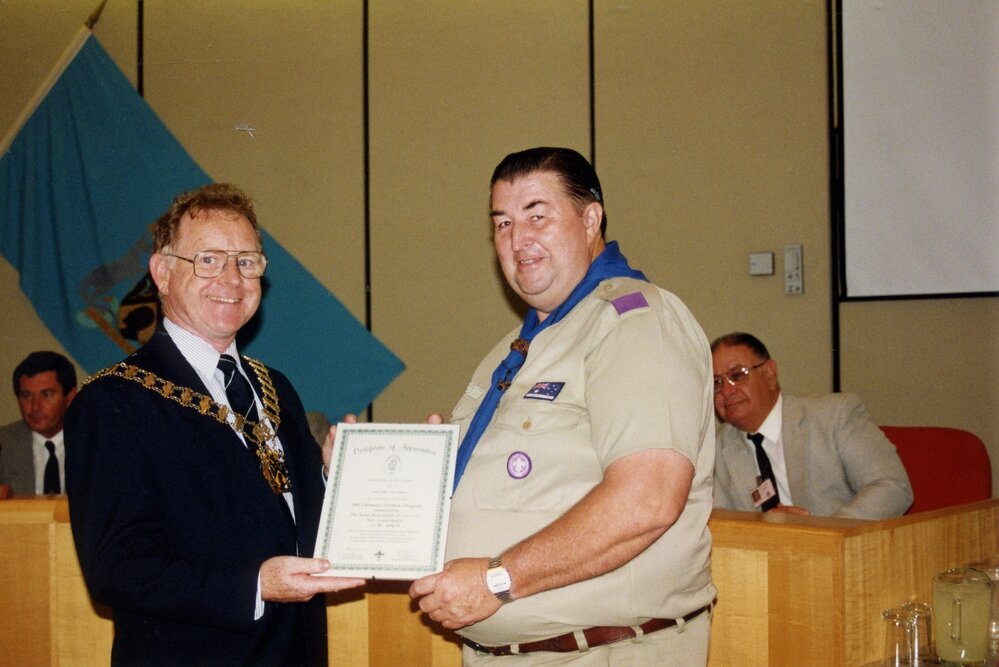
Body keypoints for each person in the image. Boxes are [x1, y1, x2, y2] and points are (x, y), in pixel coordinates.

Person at [409, 147, 717, 665]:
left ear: (590, 218)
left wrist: (497, 580)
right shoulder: (514, 349)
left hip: (602, 652)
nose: (517, 238)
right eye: (503, 223)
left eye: (537, 215)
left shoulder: (633, 320)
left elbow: (647, 500)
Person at [65, 183, 364, 666]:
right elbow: (117, 568)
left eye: (247, 261)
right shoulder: (113, 402)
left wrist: (331, 476)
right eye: (208, 259)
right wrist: (256, 586)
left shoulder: (276, 388)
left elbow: (289, 527)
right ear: (161, 272)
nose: (232, 278)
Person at [711, 331, 913, 519]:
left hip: (846, 549)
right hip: (766, 554)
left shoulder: (835, 416)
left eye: (737, 375)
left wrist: (820, 536)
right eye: (717, 382)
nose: (726, 391)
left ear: (770, 374)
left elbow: (893, 488)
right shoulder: (715, 450)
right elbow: (718, 521)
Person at [0, 351, 77, 495]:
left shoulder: (96, 442)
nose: (35, 406)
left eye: (47, 394)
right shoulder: (4, 444)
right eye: (26, 396)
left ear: (70, 397)